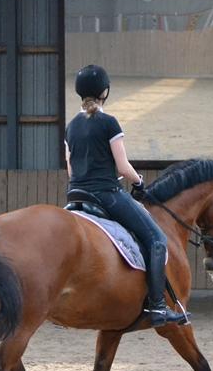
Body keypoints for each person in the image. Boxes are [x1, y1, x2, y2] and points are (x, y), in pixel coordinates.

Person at [64, 65, 186, 327]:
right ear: (105, 92)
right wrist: (139, 181)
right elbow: (122, 167)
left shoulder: (71, 126)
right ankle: (157, 306)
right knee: (156, 239)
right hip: (105, 194)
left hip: (76, 196)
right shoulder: (109, 123)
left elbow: (71, 169)